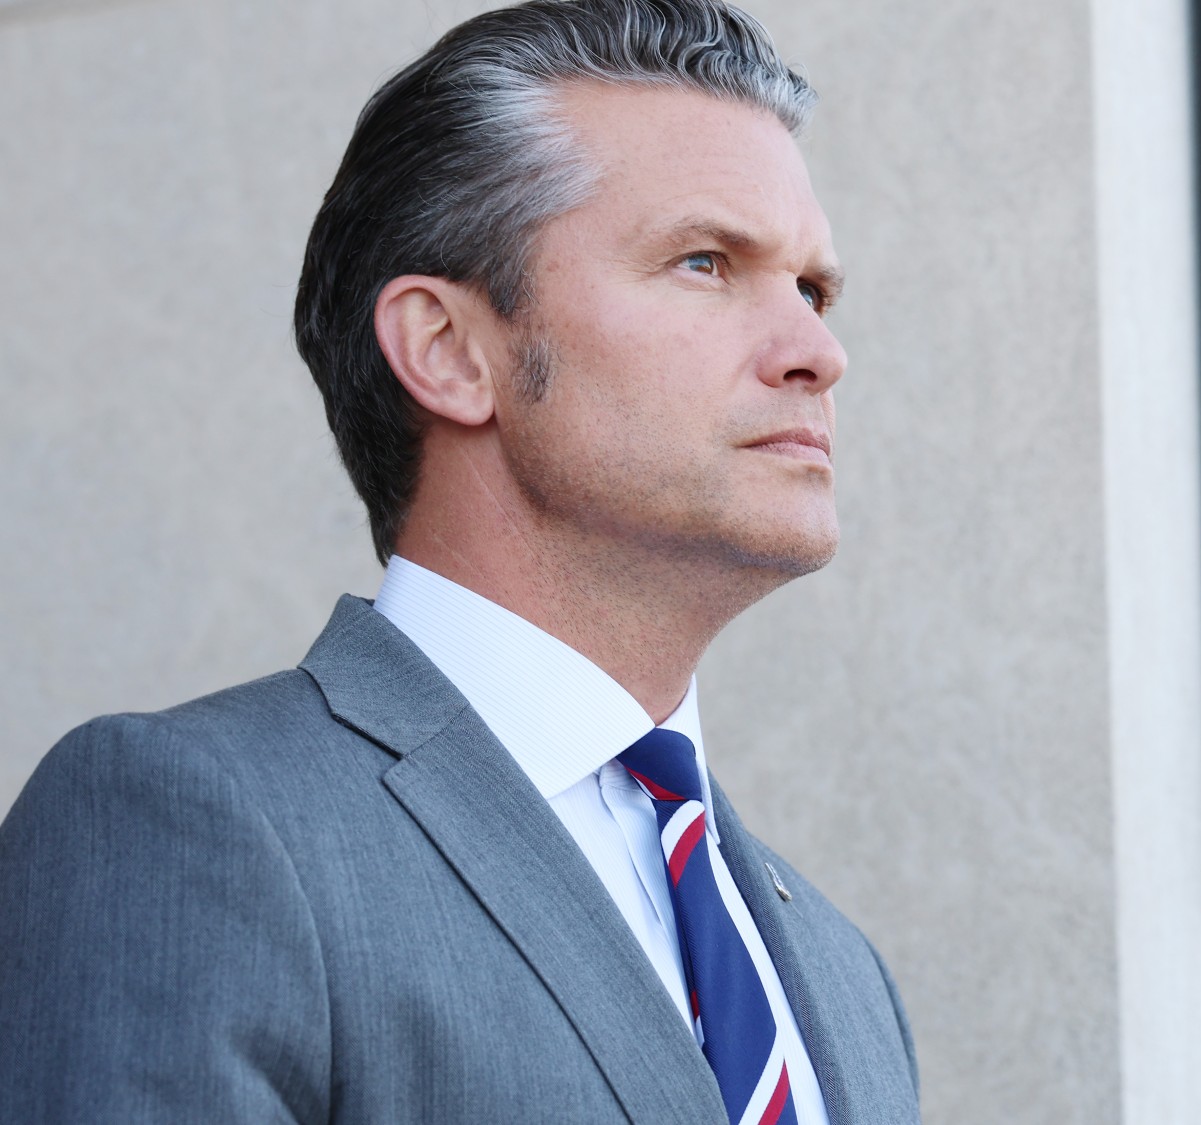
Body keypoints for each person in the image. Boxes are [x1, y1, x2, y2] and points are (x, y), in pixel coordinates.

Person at [0, 2, 922, 1122]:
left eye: (812, 290)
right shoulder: (193, 831)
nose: (816, 353)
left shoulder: (840, 976)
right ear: (448, 352)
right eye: (703, 261)